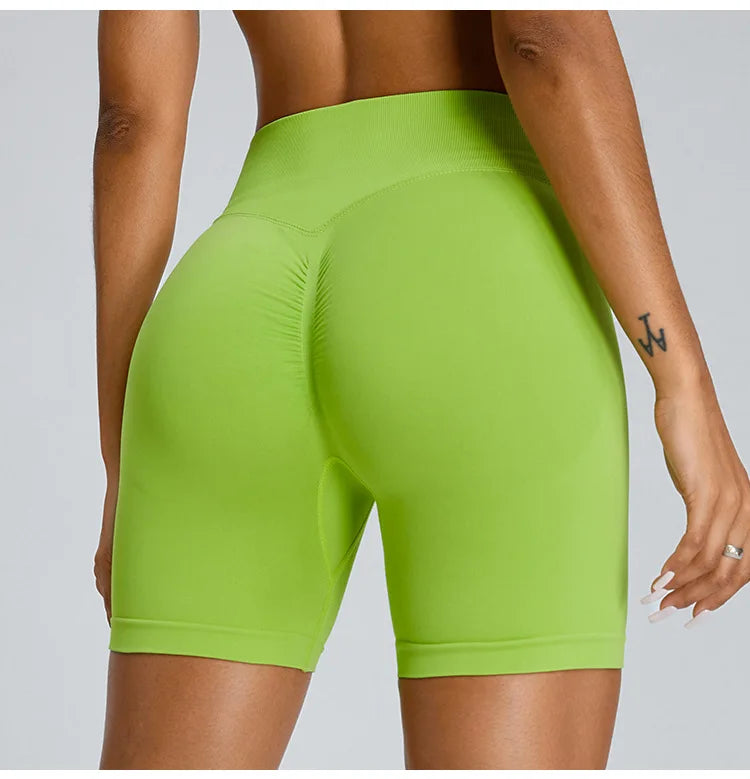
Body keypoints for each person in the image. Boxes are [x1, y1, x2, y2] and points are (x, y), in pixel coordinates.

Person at [92, 10, 749, 770]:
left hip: (234, 289)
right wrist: (682, 379)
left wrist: (124, 461)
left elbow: (130, 124)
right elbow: (548, 42)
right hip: (473, 273)